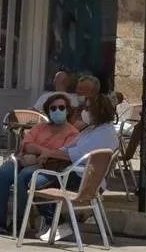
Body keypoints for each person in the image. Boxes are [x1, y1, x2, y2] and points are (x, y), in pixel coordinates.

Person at [28, 93, 120, 242]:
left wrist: (50, 153)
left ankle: (58, 224)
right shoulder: (92, 129)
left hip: (83, 178)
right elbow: (67, 148)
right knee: (35, 178)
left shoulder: (103, 134)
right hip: (78, 173)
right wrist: (49, 153)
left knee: (36, 183)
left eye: (88, 109)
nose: (84, 112)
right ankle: (54, 224)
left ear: (99, 111)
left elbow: (73, 155)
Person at [0, 92, 80, 235]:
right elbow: (27, 144)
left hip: (48, 164)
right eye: (53, 108)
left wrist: (42, 154)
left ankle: (19, 220)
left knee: (23, 177)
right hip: (26, 158)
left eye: (61, 108)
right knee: (2, 174)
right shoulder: (39, 127)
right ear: (48, 111)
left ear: (67, 110)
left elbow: (62, 154)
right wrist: (42, 151)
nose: (57, 111)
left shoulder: (72, 133)